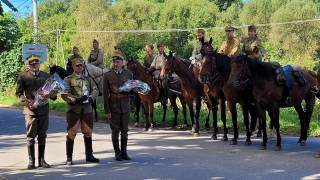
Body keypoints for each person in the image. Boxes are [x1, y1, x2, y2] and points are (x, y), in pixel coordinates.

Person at [16, 55, 57, 169]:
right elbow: (18, 93)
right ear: (29, 64)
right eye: (32, 63)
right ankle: (31, 161)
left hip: (43, 110)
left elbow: (53, 92)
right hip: (30, 111)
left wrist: (52, 94)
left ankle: (42, 160)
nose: (35, 65)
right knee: (31, 137)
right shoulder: (23, 76)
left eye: (36, 63)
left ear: (40, 63)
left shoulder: (46, 76)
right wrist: (27, 101)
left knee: (42, 136)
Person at [61, 58, 100, 165]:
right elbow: (65, 94)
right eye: (77, 65)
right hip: (74, 110)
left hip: (87, 109)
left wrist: (92, 98)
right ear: (73, 67)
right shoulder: (67, 79)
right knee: (71, 132)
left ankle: (89, 155)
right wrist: (76, 100)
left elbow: (95, 90)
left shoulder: (88, 79)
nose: (79, 67)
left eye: (81, 65)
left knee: (88, 132)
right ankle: (69, 158)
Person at [103, 50, 133, 161]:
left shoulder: (128, 74)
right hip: (113, 106)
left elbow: (132, 90)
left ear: (122, 62)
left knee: (125, 130)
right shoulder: (107, 75)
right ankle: (117, 152)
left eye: (118, 61)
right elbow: (106, 94)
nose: (115, 63)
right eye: (114, 61)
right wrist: (107, 111)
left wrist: (132, 90)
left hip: (125, 106)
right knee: (115, 131)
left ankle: (124, 152)